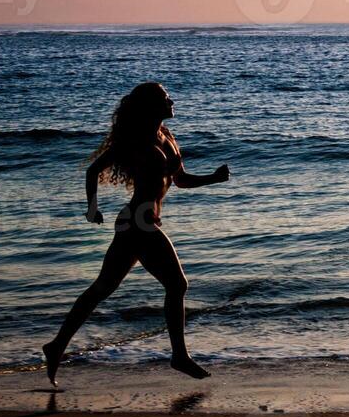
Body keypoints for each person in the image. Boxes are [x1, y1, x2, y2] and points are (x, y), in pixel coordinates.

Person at [43, 82, 229, 384]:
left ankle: (56, 346)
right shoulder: (133, 140)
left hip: (142, 222)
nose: (172, 101)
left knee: (101, 289)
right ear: (152, 106)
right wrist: (92, 209)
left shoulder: (168, 136)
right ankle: (179, 356)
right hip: (138, 222)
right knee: (177, 284)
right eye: (166, 98)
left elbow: (179, 181)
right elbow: (93, 171)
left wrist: (214, 179)